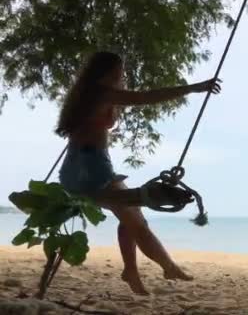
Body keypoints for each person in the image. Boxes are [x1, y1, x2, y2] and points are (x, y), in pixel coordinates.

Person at [55, 51, 221, 295]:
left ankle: (133, 271)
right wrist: (195, 87)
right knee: (138, 221)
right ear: (106, 71)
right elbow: (146, 97)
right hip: (91, 170)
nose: (121, 73)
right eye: (118, 70)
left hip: (80, 166)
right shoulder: (101, 92)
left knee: (132, 217)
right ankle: (167, 266)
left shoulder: (87, 94)